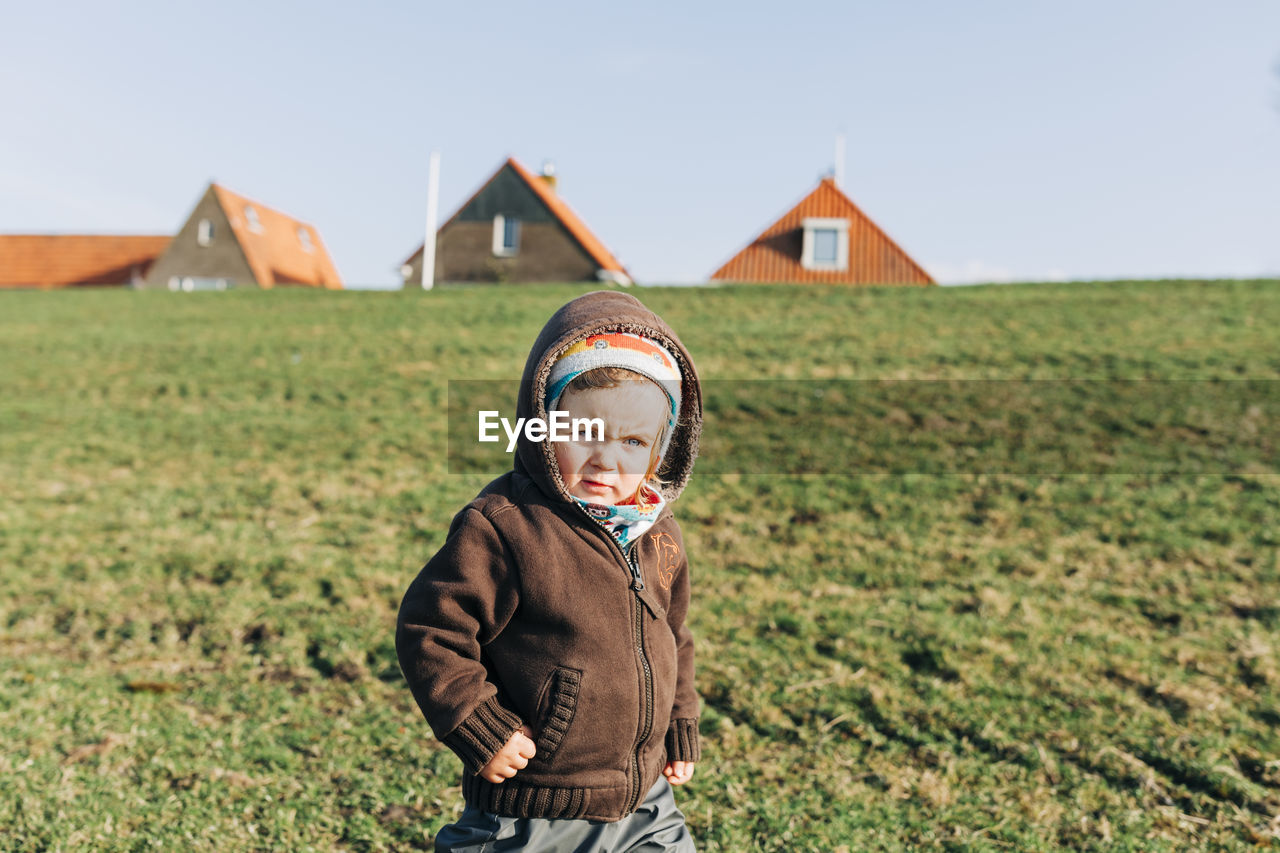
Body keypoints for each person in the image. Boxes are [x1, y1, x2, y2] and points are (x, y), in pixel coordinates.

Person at [397, 290, 703, 852]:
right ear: (540, 427)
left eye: (633, 441)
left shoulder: (657, 531)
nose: (607, 461)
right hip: (536, 803)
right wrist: (479, 725)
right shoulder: (505, 528)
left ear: (663, 449)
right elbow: (431, 630)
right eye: (584, 434)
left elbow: (673, 637)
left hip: (648, 799)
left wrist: (679, 721)